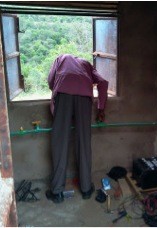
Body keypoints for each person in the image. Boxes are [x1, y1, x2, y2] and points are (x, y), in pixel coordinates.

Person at [45, 54, 108, 203]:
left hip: (63, 94)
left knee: (60, 142)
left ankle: (57, 192)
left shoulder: (60, 59)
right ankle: (86, 189)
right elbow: (103, 83)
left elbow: (50, 81)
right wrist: (101, 108)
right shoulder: (86, 64)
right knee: (84, 142)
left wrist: (61, 90)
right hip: (84, 98)